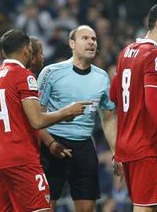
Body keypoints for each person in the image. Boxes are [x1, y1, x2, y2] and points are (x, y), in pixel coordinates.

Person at [0, 29, 88, 212]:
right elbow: (37, 120)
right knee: (42, 209)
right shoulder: (23, 75)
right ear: (26, 50)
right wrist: (67, 111)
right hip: (21, 159)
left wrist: (3, 153)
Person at [110, 3, 157, 212]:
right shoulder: (156, 55)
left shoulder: (126, 52)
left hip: (127, 145)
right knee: (144, 207)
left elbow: (115, 95)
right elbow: (151, 100)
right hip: (146, 146)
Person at [37, 25, 117, 212]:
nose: (91, 42)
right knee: (45, 206)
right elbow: (35, 117)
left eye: (94, 39)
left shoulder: (102, 77)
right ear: (72, 43)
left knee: (88, 208)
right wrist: (50, 144)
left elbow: (108, 117)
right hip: (52, 144)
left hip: (83, 147)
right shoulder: (51, 72)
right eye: (85, 38)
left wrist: (116, 151)